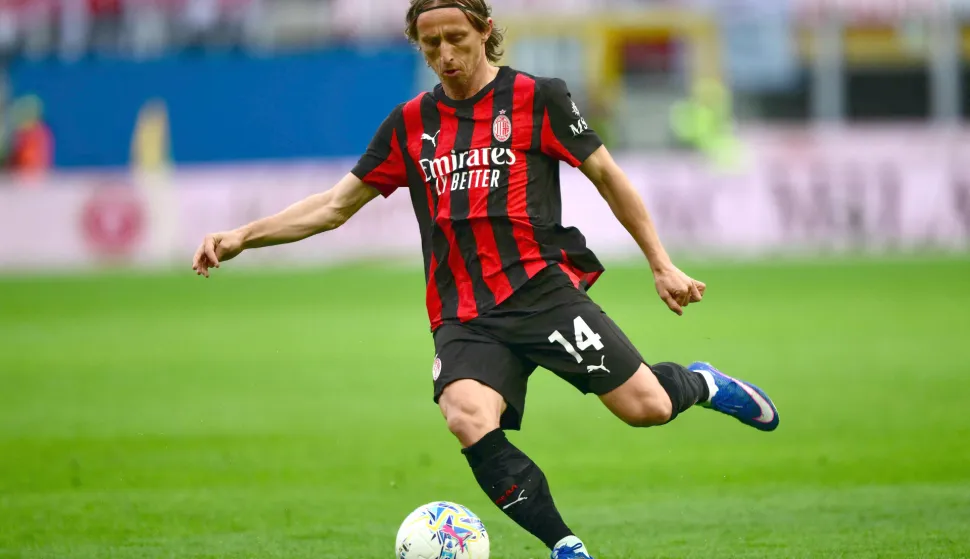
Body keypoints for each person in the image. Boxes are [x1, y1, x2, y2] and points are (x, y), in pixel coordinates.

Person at [191, 2, 780, 557]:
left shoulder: (537, 97)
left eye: (456, 39)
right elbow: (334, 206)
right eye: (430, 44)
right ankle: (565, 545)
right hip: (462, 312)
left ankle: (699, 384)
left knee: (645, 407)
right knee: (467, 416)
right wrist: (244, 235)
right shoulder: (410, 123)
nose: (445, 54)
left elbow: (608, 175)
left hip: (542, 294)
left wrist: (660, 262)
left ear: (485, 30)